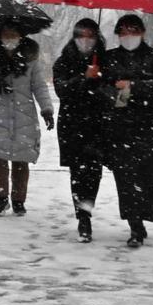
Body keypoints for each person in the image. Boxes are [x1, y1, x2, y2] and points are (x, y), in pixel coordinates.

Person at [99, 14, 153, 247]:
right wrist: (112, 91)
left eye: (133, 30)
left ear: (142, 33)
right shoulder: (108, 58)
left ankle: (142, 215)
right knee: (126, 176)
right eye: (123, 31)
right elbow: (100, 89)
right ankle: (135, 224)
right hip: (120, 127)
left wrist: (134, 87)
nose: (128, 35)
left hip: (151, 126)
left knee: (149, 176)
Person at [0, 22, 54, 216]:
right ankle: (1, 198)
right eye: (6, 34)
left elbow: (39, 86)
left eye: (13, 34)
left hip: (24, 115)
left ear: (21, 36)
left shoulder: (31, 61)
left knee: (21, 159)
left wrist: (47, 110)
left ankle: (18, 200)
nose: (9, 38)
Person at [52, 18, 106, 241]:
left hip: (98, 124)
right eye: (81, 35)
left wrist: (99, 80)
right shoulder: (63, 61)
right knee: (77, 172)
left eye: (90, 35)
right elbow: (62, 90)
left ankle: (87, 210)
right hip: (72, 124)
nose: (85, 40)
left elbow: (113, 92)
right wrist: (83, 78)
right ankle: (82, 217)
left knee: (94, 172)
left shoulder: (106, 60)